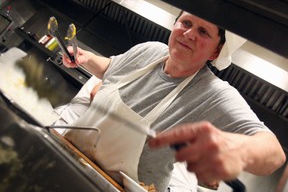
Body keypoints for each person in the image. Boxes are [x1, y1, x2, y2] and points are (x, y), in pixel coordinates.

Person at [58, 11, 285, 192]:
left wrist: (237, 148)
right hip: (70, 160)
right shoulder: (150, 51)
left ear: (215, 52)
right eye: (186, 23)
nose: (189, 34)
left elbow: (274, 155)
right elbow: (112, 68)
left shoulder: (213, 93)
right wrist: (86, 59)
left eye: (204, 31)